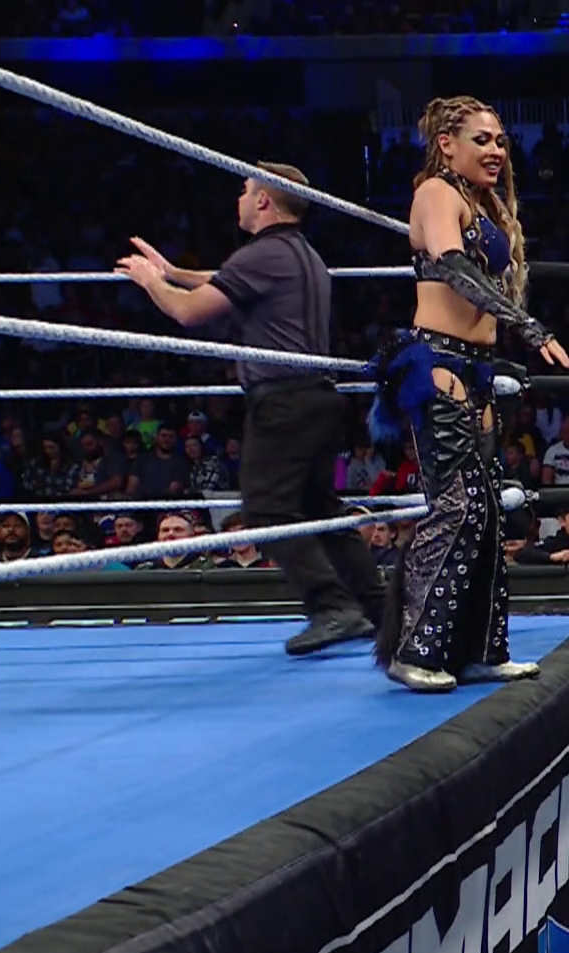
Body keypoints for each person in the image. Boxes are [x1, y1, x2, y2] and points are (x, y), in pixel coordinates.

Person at [117, 163, 384, 656]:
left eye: (244, 189)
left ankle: (332, 607)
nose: (238, 198)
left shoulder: (262, 254)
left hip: (283, 400)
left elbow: (188, 312)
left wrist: (151, 282)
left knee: (265, 508)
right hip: (318, 398)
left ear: (263, 200)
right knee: (319, 508)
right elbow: (223, 281)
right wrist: (172, 272)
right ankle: (376, 607)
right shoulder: (299, 253)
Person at [370, 95, 569, 693]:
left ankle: (484, 650)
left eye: (500, 141)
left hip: (477, 368)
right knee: (457, 507)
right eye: (481, 139)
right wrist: (528, 326)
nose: (495, 150)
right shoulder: (436, 193)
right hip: (437, 363)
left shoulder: (483, 204)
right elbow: (452, 266)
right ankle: (414, 650)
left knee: (486, 513)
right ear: (446, 145)